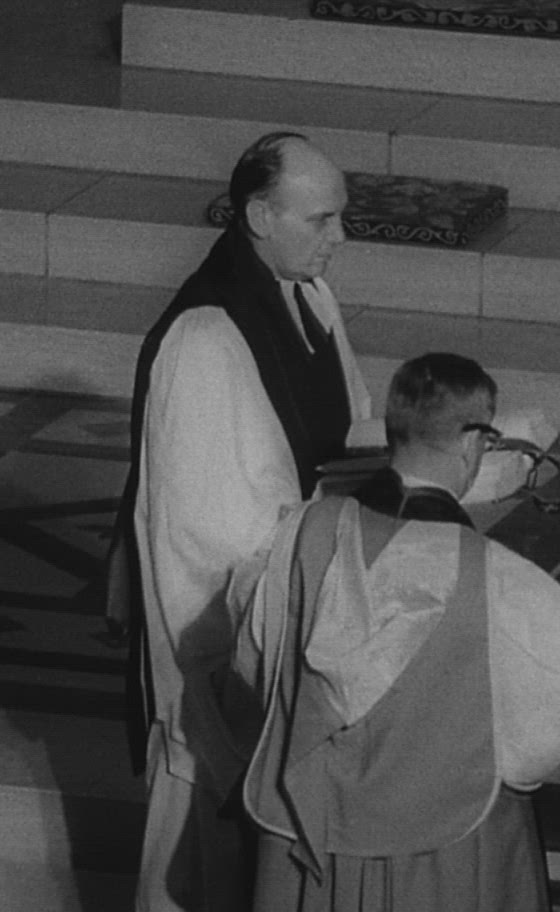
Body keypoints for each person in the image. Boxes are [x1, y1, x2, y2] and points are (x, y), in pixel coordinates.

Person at [225, 352, 560, 912]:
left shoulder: (296, 538)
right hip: (441, 854)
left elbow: (251, 660)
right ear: (473, 444)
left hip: (302, 836)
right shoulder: (499, 577)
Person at [103, 131, 375, 912]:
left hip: (300, 586)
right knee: (204, 848)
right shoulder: (204, 338)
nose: (339, 237)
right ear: (260, 216)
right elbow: (207, 533)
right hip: (224, 634)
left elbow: (351, 427)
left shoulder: (309, 298)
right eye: (321, 220)